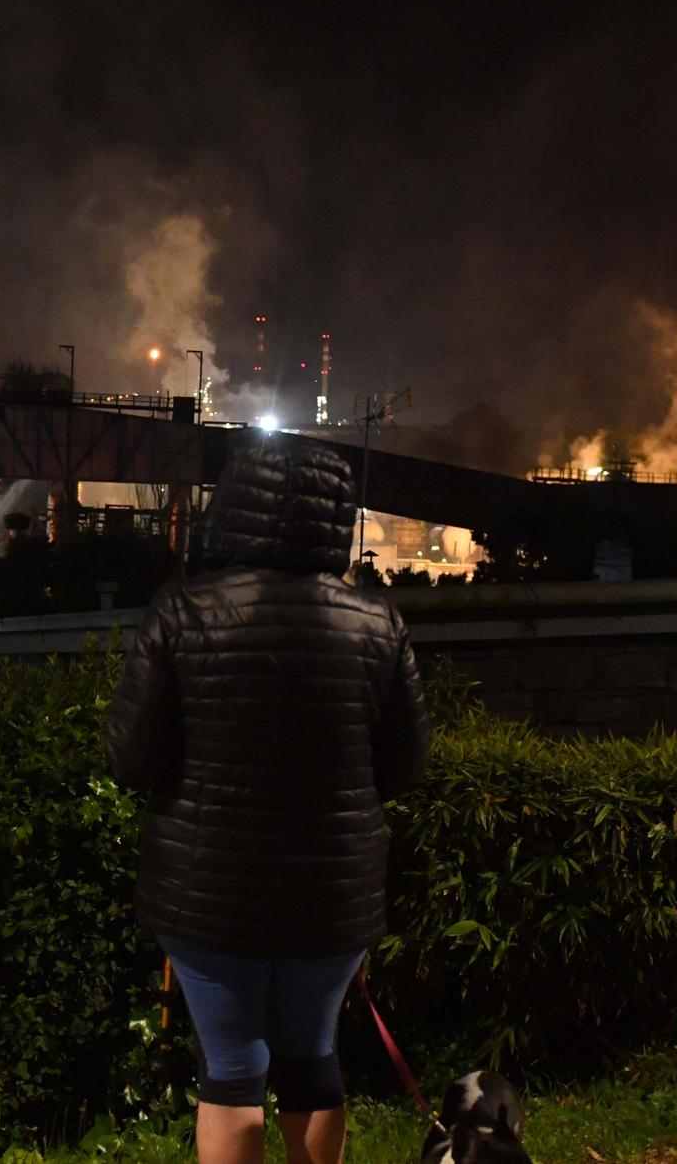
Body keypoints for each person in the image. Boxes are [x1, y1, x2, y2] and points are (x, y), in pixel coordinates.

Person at [105, 436, 429, 1164]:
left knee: (231, 1069)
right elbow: (404, 766)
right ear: (336, 518)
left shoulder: (181, 612)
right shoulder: (377, 624)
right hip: (332, 892)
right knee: (313, 1058)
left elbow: (130, 759)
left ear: (235, 508)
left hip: (207, 890)